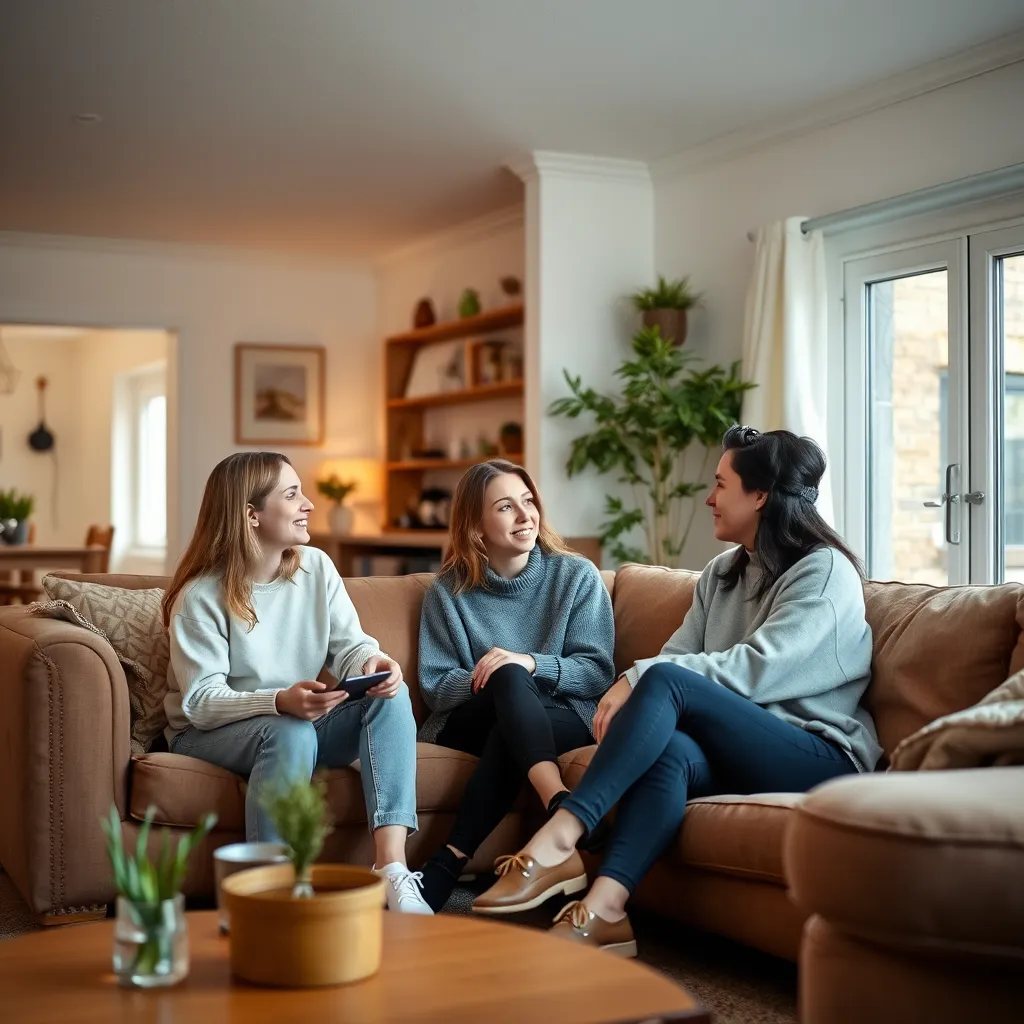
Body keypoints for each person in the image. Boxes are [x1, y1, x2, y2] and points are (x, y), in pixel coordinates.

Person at [472, 426, 883, 956]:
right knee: (670, 752)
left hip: (818, 754)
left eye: (720, 484)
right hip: (742, 747)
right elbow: (675, 655)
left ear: (760, 496)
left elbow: (760, 667)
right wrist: (647, 677)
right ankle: (607, 911)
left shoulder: (823, 572)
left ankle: (558, 840)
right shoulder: (722, 574)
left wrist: (636, 678)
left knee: (663, 680)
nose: (709, 498)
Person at [162, 451, 431, 914]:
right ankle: (272, 893)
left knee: (391, 692)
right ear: (251, 516)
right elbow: (201, 701)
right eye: (291, 494)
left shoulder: (316, 567)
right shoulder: (200, 596)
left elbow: (350, 645)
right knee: (288, 729)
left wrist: (373, 661)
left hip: (298, 724)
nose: (308, 503)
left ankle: (390, 869)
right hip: (205, 735)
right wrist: (278, 701)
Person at [416, 459, 615, 912]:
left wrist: (529, 663)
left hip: (557, 717)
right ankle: (558, 800)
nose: (526, 516)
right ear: (475, 525)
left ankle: (448, 862)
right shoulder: (447, 592)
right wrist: (494, 674)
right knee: (506, 678)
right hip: (470, 718)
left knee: (513, 717)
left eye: (529, 502)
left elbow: (597, 672)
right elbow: (435, 687)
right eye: (506, 507)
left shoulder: (575, 576)